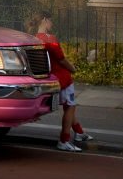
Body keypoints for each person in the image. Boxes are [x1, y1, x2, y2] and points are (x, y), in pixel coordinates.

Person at [29, 10, 93, 152]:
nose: (52, 24)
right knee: (70, 106)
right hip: (63, 77)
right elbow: (61, 59)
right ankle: (64, 140)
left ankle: (79, 132)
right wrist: (73, 69)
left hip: (52, 75)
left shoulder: (34, 38)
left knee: (69, 105)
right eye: (50, 21)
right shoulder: (50, 38)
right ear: (45, 20)